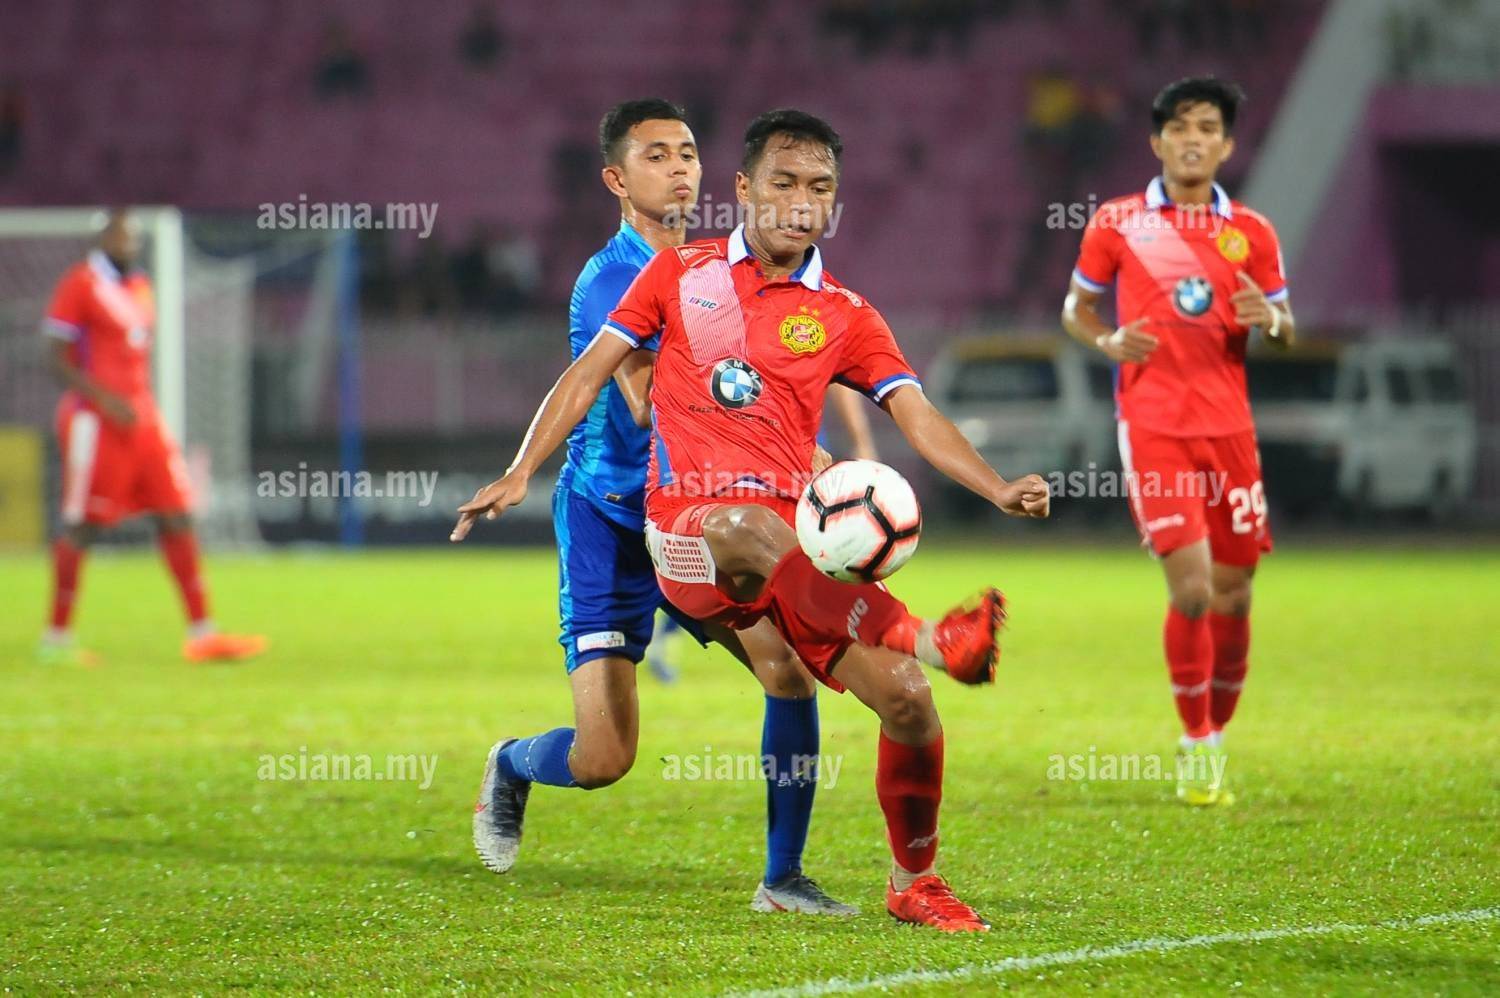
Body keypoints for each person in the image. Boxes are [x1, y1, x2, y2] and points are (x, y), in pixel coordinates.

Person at [455, 108, 1051, 931]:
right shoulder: (663, 275)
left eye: (820, 188)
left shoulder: (845, 311)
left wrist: (997, 487)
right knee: (605, 755)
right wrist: (522, 469)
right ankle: (924, 634)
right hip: (650, 525)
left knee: (900, 698)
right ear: (745, 188)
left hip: (777, 541)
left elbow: (916, 413)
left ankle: (892, 880)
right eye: (784, 183)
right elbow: (607, 383)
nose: (802, 202)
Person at [469, 100, 857, 915]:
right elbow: (652, 403)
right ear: (617, 180)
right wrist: (519, 470)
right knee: (605, 758)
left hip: (694, 516)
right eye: (656, 155)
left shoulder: (720, 271)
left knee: (788, 671)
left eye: (687, 152)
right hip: (612, 523)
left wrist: (796, 441)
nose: (679, 167)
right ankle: (511, 762)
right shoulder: (616, 277)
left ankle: (782, 878)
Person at [1060, 77, 1294, 806]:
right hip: (1154, 426)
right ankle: (1197, 745)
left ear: (1227, 145)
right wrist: (1108, 340)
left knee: (1235, 594)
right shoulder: (1118, 222)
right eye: (1181, 127)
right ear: (1157, 141)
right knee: (1192, 591)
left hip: (1230, 431)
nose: (1194, 140)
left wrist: (1270, 321)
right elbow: (1076, 310)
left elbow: (1286, 327)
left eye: (1208, 128)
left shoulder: (1252, 231)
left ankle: (1217, 729)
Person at [39, 210, 268, 666]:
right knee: (83, 526)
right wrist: (104, 399)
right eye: (121, 237)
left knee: (178, 515)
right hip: (95, 423)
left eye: (134, 238)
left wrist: (135, 402)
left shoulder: (141, 286)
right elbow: (53, 356)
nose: (130, 244)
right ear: (102, 239)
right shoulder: (81, 284)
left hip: (143, 420)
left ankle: (202, 632)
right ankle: (56, 639)